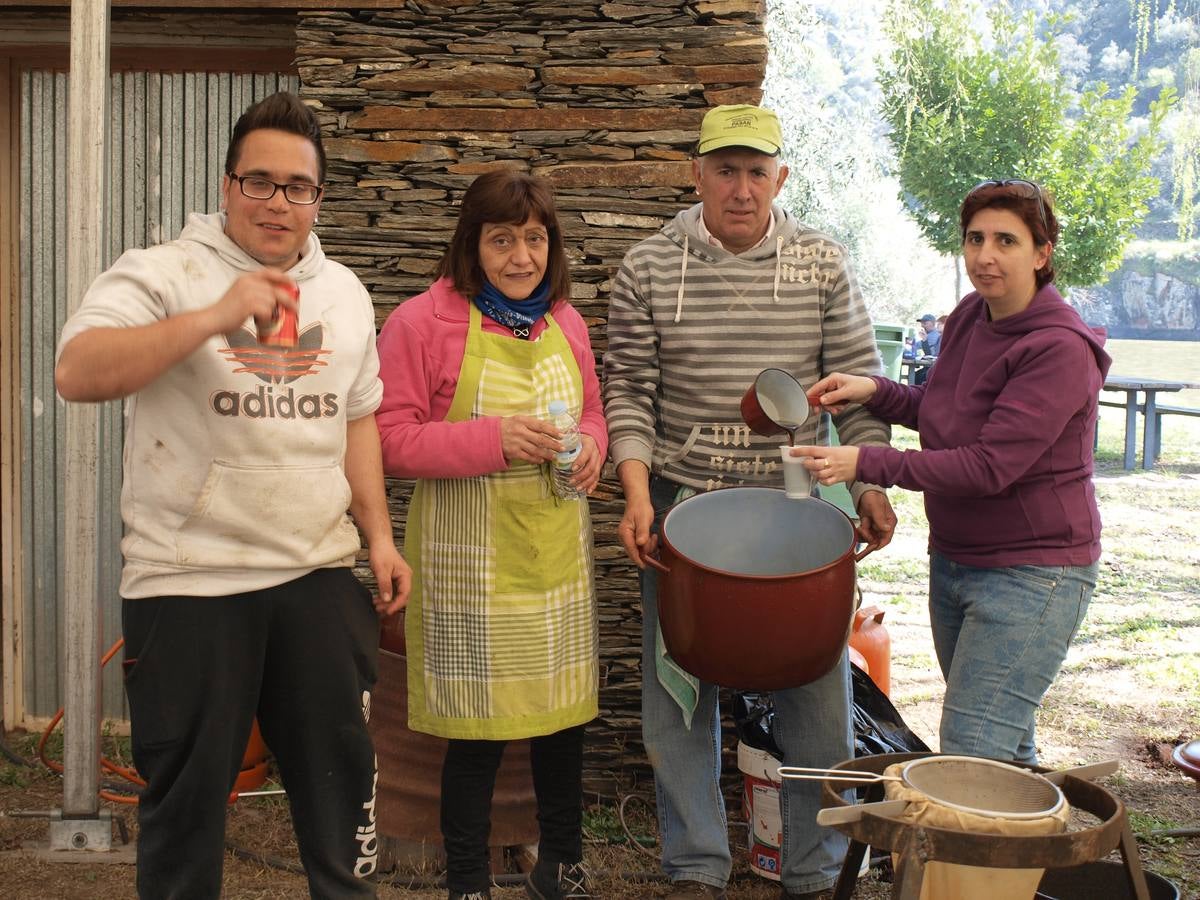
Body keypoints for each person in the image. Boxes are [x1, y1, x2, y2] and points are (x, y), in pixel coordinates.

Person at [54, 92, 411, 898]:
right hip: (189, 579)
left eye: (298, 187)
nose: (278, 203)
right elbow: (78, 372)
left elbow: (357, 420)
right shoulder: (163, 272)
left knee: (342, 795)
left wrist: (380, 538)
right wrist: (217, 312)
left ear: (319, 197)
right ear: (226, 185)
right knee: (184, 812)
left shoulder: (346, 293)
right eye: (260, 181)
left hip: (316, 575)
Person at [602, 104, 897, 900]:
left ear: (781, 178)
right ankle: (695, 867)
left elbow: (859, 388)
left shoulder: (823, 265)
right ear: (695, 173)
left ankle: (813, 870)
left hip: (795, 503)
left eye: (756, 172)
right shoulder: (648, 267)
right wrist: (636, 495)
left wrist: (868, 484)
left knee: (816, 689)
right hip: (682, 504)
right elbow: (627, 390)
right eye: (724, 170)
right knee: (677, 690)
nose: (741, 188)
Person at [795, 178, 1111, 766]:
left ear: (1042, 254)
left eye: (1006, 241)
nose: (985, 256)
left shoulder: (1060, 348)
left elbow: (990, 465)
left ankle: (966, 859)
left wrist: (864, 462)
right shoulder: (973, 315)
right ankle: (1029, 857)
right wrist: (877, 391)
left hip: (1035, 572)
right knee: (1004, 747)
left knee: (972, 748)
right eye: (975, 239)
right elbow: (945, 411)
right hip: (959, 559)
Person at [375, 171, 606, 900]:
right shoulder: (421, 323)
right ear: (472, 245)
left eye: (534, 238)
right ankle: (467, 882)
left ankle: (561, 867)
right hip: (470, 562)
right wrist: (494, 440)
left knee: (561, 721)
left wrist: (593, 450)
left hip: (553, 555)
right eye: (502, 238)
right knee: (475, 730)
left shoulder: (565, 322)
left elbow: (592, 412)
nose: (521, 256)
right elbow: (390, 441)